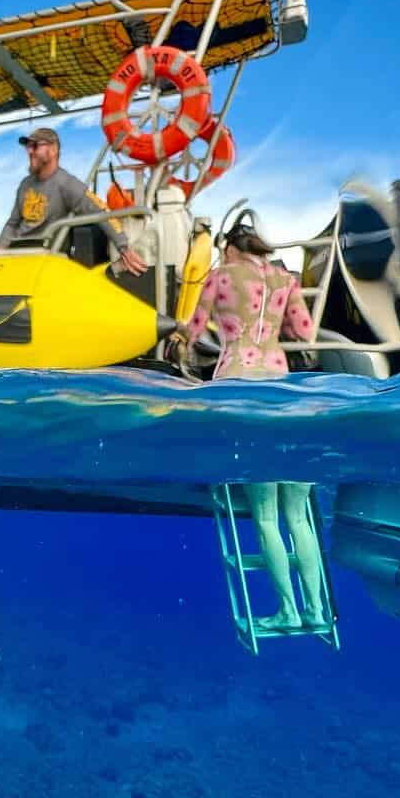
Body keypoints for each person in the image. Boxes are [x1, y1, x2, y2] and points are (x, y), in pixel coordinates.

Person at [172, 220, 325, 631]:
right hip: (283, 390)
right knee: (297, 516)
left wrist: (179, 336)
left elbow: (194, 325)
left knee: (266, 516)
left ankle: (289, 611)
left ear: (229, 248)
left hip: (238, 386)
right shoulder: (285, 278)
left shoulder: (219, 277)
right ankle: (315, 609)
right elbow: (306, 333)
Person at [0, 127, 147, 275]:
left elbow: (100, 211)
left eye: (34, 146)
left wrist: (124, 247)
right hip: (14, 254)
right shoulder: (25, 184)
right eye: (27, 147)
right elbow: (12, 224)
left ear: (52, 150)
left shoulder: (67, 184)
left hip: (44, 257)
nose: (29, 151)